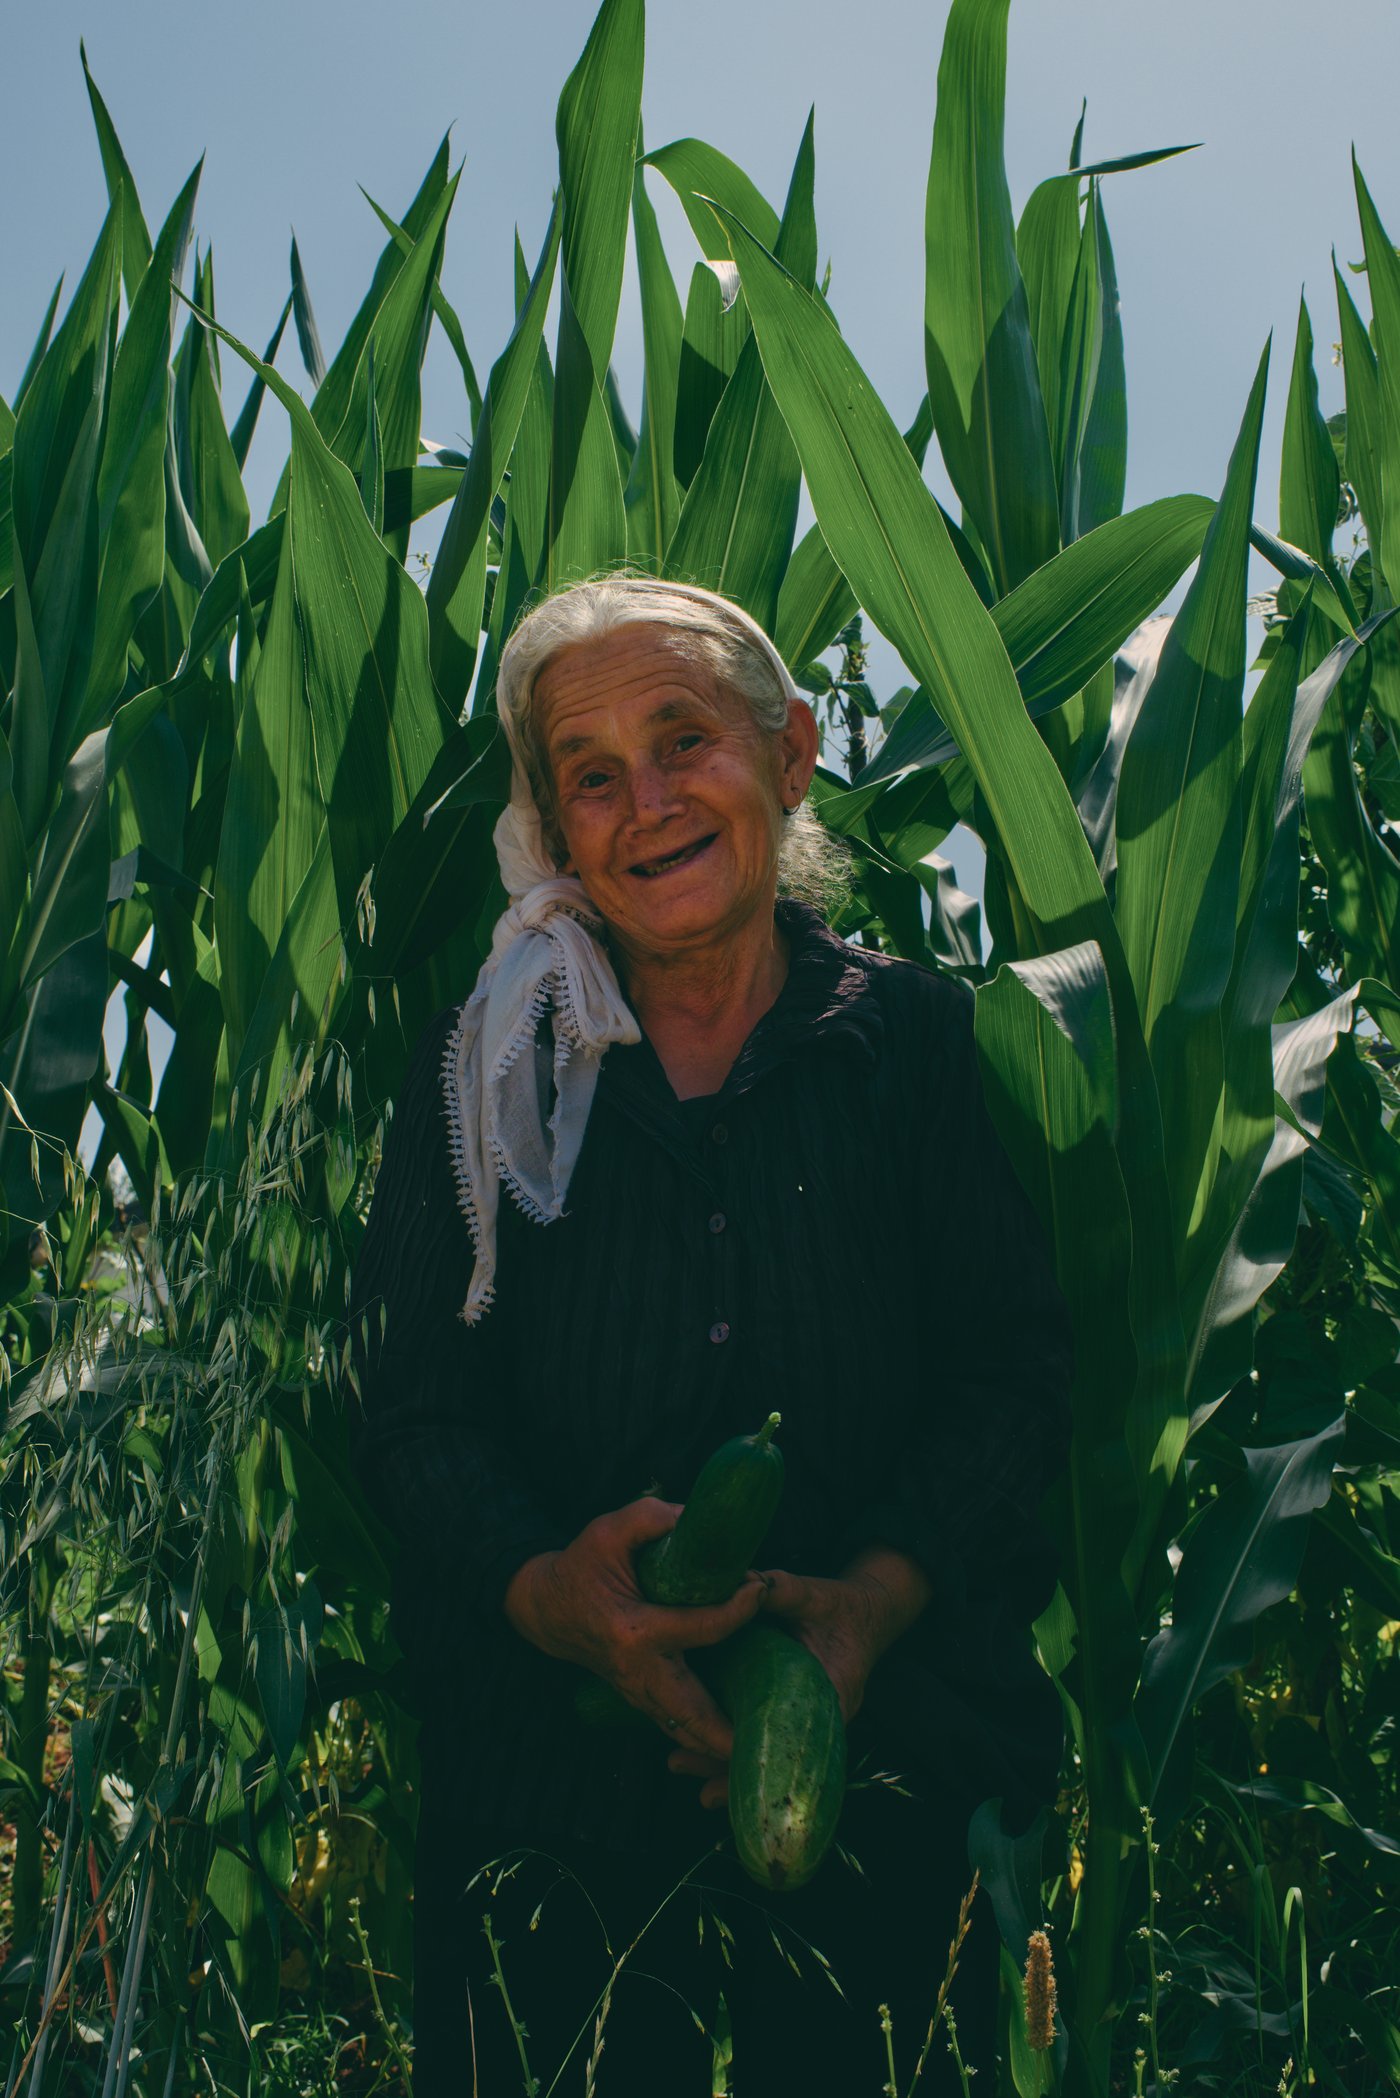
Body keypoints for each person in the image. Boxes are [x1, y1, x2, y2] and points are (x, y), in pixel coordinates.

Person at [350, 575, 1072, 2096]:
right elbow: (416, 1416)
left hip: (883, 1765)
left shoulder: (910, 1047)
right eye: (592, 777)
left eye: (686, 741)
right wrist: (552, 1592)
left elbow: (1012, 1375)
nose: (648, 803)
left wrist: (871, 1602)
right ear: (551, 833)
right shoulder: (486, 1069)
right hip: (548, 1789)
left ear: (793, 752)